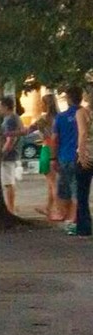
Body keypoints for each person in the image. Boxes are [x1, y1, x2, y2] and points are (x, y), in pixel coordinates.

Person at [50, 86, 83, 232]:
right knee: (78, 189)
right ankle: (74, 219)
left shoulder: (61, 117)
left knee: (64, 190)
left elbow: (55, 139)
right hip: (81, 157)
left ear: (68, 99)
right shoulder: (87, 114)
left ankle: (69, 218)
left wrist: (53, 158)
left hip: (64, 157)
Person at [29, 94, 62, 220]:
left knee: (52, 183)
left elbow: (29, 130)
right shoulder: (59, 117)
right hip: (58, 149)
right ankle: (48, 207)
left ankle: (58, 210)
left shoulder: (43, 119)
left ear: (45, 104)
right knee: (51, 183)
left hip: (46, 148)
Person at [0, 96, 24, 214]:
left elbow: (10, 139)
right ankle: (10, 207)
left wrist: (3, 152)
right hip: (12, 153)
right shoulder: (12, 118)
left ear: (5, 106)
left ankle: (10, 208)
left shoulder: (10, 119)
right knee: (9, 182)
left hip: (8, 155)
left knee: (8, 182)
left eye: (0, 106)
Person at [74, 89, 93, 236]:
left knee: (82, 192)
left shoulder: (82, 113)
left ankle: (84, 227)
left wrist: (81, 152)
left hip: (87, 154)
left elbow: (83, 133)